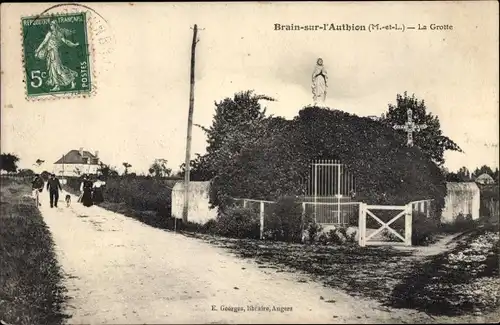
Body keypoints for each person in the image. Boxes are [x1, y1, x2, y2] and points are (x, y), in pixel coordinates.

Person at [34, 20, 79, 92]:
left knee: (58, 70)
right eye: (50, 25)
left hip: (54, 53)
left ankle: (72, 80)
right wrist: (38, 50)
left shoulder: (57, 34)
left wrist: (73, 45)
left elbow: (66, 41)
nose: (50, 26)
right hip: (50, 53)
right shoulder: (52, 34)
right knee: (53, 70)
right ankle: (57, 85)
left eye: (52, 25)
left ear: (55, 26)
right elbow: (44, 43)